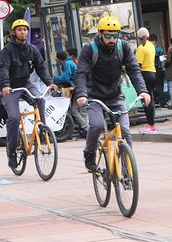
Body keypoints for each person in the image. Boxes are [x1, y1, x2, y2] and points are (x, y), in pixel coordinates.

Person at [74, 17, 150, 171]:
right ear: (100, 34)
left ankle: (126, 170)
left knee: (125, 131)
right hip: (94, 96)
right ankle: (89, 153)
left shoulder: (124, 47)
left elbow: (134, 70)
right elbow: (81, 73)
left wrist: (143, 91)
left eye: (115, 35)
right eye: (108, 35)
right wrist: (81, 94)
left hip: (115, 96)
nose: (112, 39)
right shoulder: (90, 49)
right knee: (97, 125)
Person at [0, 19, 56, 170]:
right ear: (14, 32)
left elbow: (41, 68)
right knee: (13, 117)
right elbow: (3, 68)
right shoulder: (7, 50)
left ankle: (42, 130)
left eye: (25, 29)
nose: (23, 32)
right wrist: (5, 85)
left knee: (40, 99)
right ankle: (12, 151)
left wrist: (49, 83)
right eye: (20, 29)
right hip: (10, 87)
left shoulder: (32, 49)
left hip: (25, 84)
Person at [53, 50, 88, 138]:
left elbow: (65, 77)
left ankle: (86, 128)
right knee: (82, 110)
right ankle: (87, 130)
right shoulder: (68, 63)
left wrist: (53, 78)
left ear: (59, 59)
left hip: (78, 88)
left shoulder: (67, 64)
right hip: (80, 87)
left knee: (74, 110)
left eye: (56, 57)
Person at [135, 27, 157, 133]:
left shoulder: (141, 48)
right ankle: (152, 124)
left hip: (145, 73)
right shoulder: (151, 46)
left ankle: (150, 124)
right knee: (151, 98)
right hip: (153, 72)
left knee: (145, 100)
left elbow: (137, 65)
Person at [149, 33, 166, 107]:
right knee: (159, 86)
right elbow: (163, 61)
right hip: (159, 70)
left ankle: (157, 101)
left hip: (154, 70)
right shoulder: (159, 49)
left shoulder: (150, 49)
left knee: (155, 87)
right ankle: (162, 102)